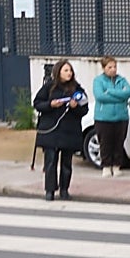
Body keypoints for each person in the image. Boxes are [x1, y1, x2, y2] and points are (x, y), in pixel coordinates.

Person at [34, 59, 89, 200]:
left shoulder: (77, 89)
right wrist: (50, 105)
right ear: (58, 72)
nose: (68, 73)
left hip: (69, 131)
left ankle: (64, 189)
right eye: (65, 70)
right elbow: (37, 103)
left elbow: (84, 109)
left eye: (70, 70)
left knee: (66, 163)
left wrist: (75, 107)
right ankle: (50, 190)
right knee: (51, 162)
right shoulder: (49, 87)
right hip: (51, 130)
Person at [91, 55, 130, 177]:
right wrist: (120, 96)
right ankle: (106, 166)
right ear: (104, 68)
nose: (113, 69)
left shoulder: (122, 80)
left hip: (121, 117)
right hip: (104, 118)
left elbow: (128, 92)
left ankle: (117, 165)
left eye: (115, 67)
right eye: (110, 67)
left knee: (119, 142)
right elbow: (100, 96)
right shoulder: (98, 81)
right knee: (105, 143)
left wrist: (110, 92)